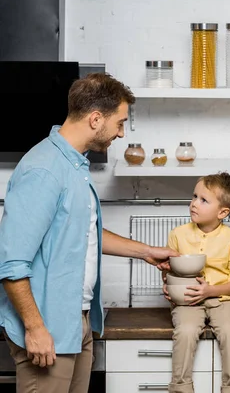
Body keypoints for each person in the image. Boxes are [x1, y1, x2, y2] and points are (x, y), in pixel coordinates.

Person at [0, 72, 179, 393]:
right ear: (96, 119)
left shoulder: (74, 167)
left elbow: (83, 233)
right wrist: (35, 327)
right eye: (120, 123)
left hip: (76, 322)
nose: (122, 134)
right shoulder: (44, 169)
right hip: (48, 329)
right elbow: (11, 263)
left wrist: (147, 252)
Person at [162, 172, 230, 393]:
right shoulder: (177, 235)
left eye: (203, 200)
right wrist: (168, 285)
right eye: (194, 196)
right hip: (188, 300)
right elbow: (169, 271)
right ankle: (180, 388)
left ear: (222, 212)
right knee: (186, 331)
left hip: (224, 300)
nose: (194, 204)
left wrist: (210, 290)